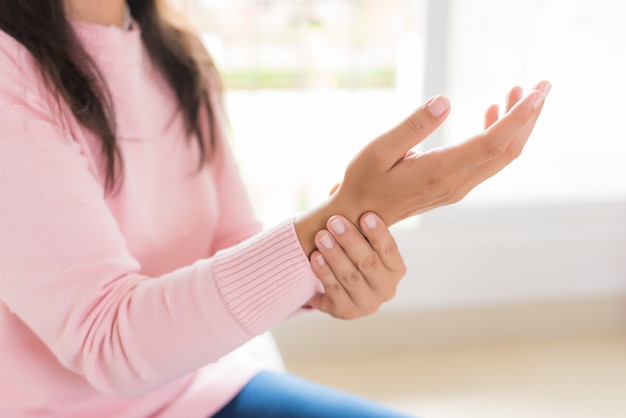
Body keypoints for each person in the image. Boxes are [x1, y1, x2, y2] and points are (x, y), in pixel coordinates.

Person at [0, 1, 550, 417]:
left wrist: (333, 257)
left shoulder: (175, 54)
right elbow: (108, 343)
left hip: (203, 391)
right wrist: (335, 221)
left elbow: (233, 242)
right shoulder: (11, 72)